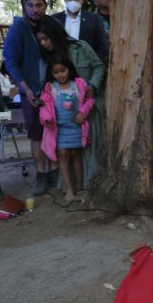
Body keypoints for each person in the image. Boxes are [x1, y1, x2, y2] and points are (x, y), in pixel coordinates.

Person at [35, 17, 105, 188]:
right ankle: (72, 187)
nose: (43, 43)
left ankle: (92, 185)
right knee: (68, 152)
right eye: (40, 40)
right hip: (63, 116)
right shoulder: (46, 58)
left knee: (90, 147)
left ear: (55, 34)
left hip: (89, 108)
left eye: (45, 38)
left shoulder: (81, 46)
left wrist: (92, 85)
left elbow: (99, 66)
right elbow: (43, 86)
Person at [3, 0, 55, 196]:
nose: (35, 9)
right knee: (36, 134)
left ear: (45, 5)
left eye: (39, 5)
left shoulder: (52, 25)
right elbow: (12, 62)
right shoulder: (18, 29)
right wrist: (25, 88)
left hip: (53, 88)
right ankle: (41, 174)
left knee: (55, 130)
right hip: (31, 90)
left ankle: (56, 173)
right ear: (24, 6)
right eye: (30, 5)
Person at [39, 54, 95, 203]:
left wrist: (83, 112)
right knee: (62, 154)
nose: (60, 75)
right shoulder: (50, 88)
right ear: (51, 74)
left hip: (76, 128)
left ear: (69, 69)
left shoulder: (79, 84)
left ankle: (79, 188)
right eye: (55, 72)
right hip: (58, 130)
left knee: (76, 155)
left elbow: (89, 101)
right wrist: (46, 119)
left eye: (62, 70)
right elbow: (44, 108)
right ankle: (69, 190)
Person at [53, 0, 109, 64]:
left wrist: (91, 66)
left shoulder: (94, 19)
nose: (73, 2)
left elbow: (101, 48)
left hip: (87, 71)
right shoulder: (55, 19)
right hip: (62, 71)